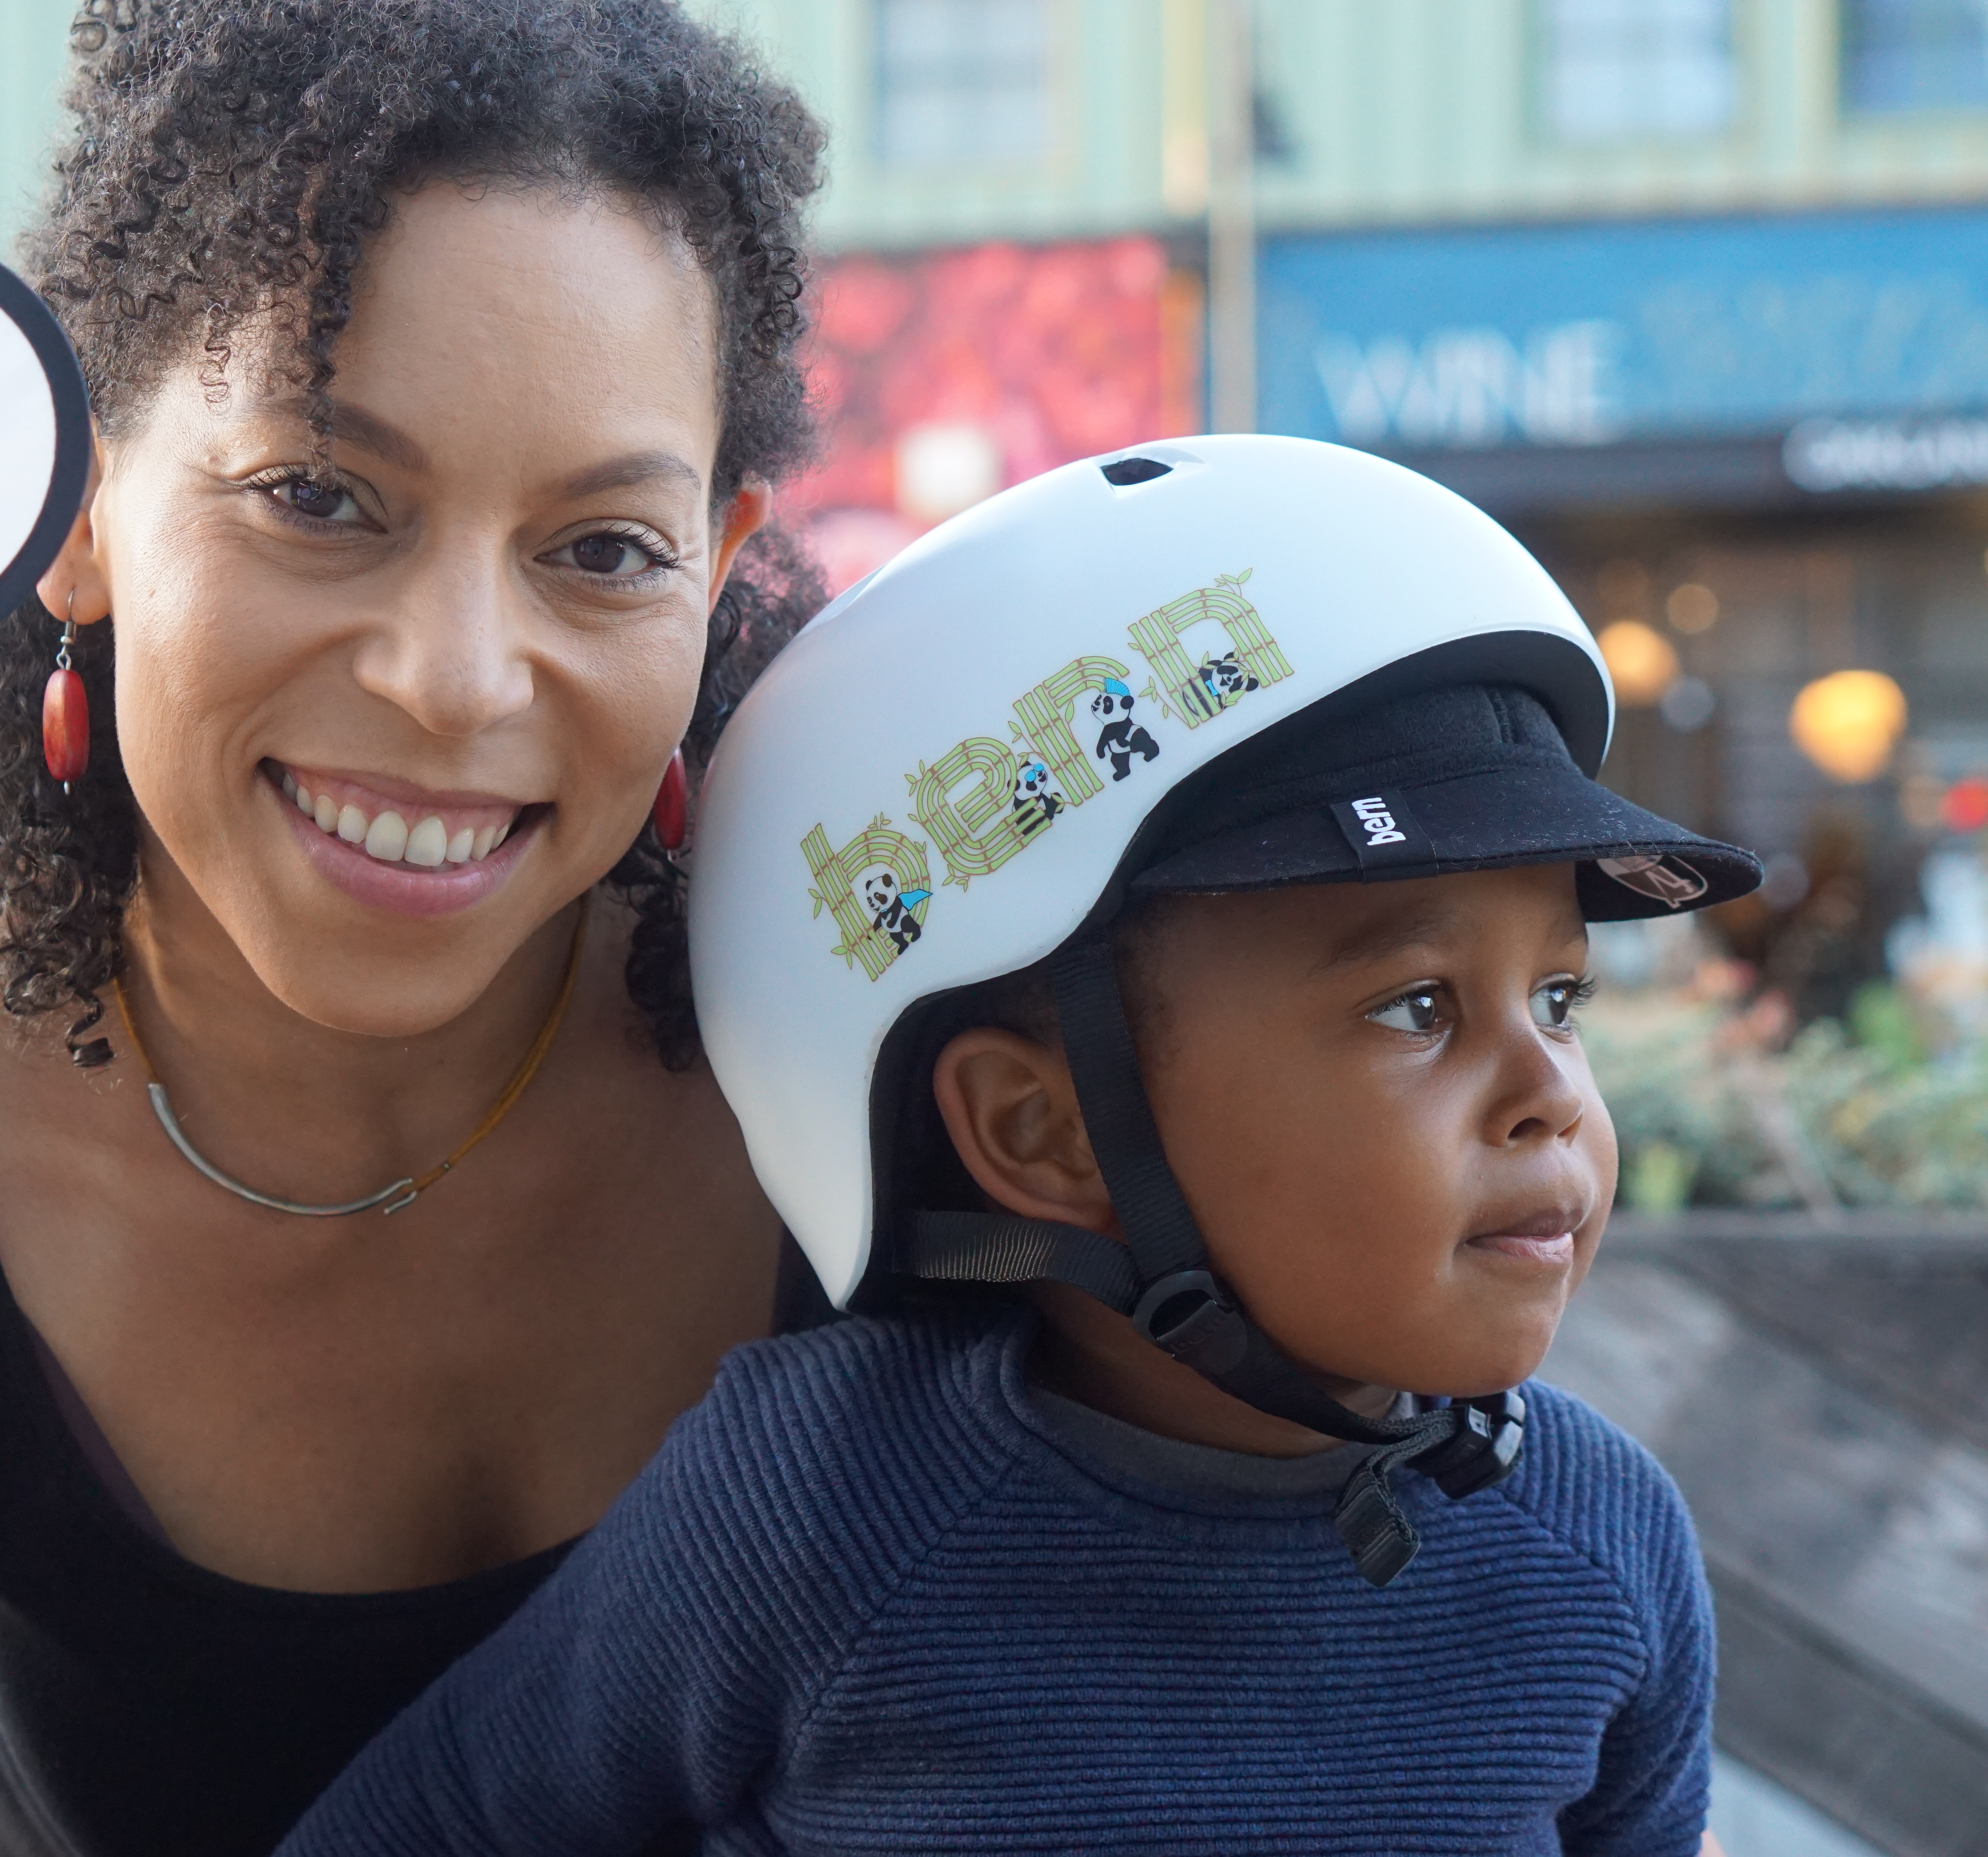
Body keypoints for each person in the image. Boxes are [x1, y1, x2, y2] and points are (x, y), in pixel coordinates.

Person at [0, 4, 832, 1853]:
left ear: (721, 553)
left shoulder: (903, 1034)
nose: (456, 682)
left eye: (605, 549)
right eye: (320, 498)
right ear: (74, 512)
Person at [275, 436, 1759, 1855]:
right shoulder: (818, 1513)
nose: (1550, 1091)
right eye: (1418, 1005)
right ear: (1039, 1135)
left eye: (1560, 995)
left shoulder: (1605, 1543)